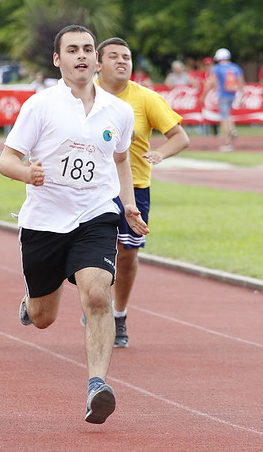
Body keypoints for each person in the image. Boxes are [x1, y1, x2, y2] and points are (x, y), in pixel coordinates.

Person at [0, 24, 148, 425]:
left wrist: (128, 205)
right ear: (57, 59)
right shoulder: (40, 105)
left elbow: (120, 160)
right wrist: (28, 174)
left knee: (98, 294)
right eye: (72, 50)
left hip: (95, 214)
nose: (81, 55)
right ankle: (32, 303)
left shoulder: (118, 111)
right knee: (44, 317)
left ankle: (97, 386)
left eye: (87, 49)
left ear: (97, 60)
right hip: (45, 221)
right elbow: (6, 160)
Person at [90, 37, 190, 348]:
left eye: (127, 57)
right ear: (98, 63)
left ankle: (118, 315)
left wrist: (161, 153)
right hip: (88, 186)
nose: (122, 61)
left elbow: (180, 137)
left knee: (127, 253)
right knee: (81, 251)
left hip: (133, 188)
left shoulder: (146, 99)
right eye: (114, 56)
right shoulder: (82, 93)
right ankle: (94, 303)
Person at [205, 48, 244, 152]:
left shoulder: (217, 68)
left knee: (224, 118)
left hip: (223, 94)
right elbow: (241, 82)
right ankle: (233, 131)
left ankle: (228, 142)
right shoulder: (235, 67)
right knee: (228, 115)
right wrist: (242, 96)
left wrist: (203, 95)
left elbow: (211, 81)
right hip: (233, 95)